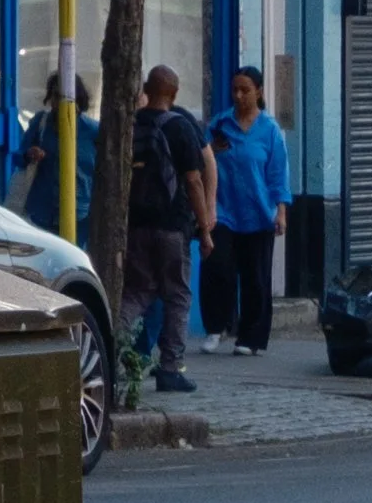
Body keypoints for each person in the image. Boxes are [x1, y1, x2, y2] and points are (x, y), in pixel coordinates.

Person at [122, 63, 213, 391]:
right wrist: (204, 228)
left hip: (136, 225)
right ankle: (170, 367)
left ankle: (111, 345)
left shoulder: (130, 125)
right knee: (177, 295)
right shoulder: (180, 127)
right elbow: (193, 181)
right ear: (173, 94)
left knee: (136, 292)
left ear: (146, 88)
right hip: (172, 227)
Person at [203, 65, 291, 351]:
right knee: (218, 267)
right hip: (224, 210)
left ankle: (251, 337)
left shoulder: (270, 131)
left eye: (245, 90)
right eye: (235, 90)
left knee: (256, 277)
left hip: (257, 213)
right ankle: (216, 327)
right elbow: (203, 162)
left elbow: (278, 174)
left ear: (259, 92)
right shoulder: (220, 125)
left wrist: (281, 211)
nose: (239, 96)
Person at [12, 77, 97, 240]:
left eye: (64, 98)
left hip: (79, 214)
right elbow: (18, 157)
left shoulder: (93, 131)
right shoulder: (41, 124)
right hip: (43, 212)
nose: (58, 103)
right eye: (55, 97)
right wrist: (29, 154)